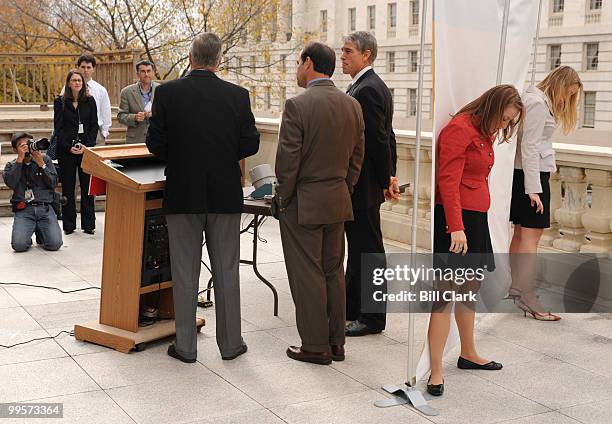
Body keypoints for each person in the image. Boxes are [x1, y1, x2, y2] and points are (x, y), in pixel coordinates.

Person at [146, 33, 260, 363]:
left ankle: (185, 346)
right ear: (219, 60)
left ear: (190, 57)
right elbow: (250, 144)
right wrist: (222, 152)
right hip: (224, 194)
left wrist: (182, 155)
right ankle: (230, 344)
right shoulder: (238, 96)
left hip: (182, 193)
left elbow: (156, 144)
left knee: (184, 272)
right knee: (227, 272)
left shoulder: (167, 93)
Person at [428, 85, 524, 397]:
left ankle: (468, 352)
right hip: (457, 222)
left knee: (470, 288)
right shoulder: (459, 129)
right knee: (444, 296)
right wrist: (456, 227)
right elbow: (448, 182)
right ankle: (436, 371)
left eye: (509, 122)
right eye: (504, 119)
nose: (503, 126)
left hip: (475, 219)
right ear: (493, 106)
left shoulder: (483, 130)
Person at [275, 42, 365, 365]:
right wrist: (344, 188)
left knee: (308, 274)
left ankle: (315, 346)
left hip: (305, 205)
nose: (298, 69)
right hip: (337, 200)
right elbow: (357, 158)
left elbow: (287, 165)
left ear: (309, 63)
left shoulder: (297, 106)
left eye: (299, 63)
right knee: (333, 272)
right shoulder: (352, 106)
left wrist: (283, 200)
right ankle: (336, 342)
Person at [509, 66, 583, 321]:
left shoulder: (535, 99)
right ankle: (528, 296)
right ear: (560, 84)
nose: (567, 100)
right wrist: (533, 189)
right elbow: (528, 146)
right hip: (532, 177)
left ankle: (517, 287)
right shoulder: (538, 103)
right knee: (532, 237)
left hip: (525, 175)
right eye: (568, 94)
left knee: (521, 234)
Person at [340, 31, 400, 337]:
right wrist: (390, 176)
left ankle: (372, 318)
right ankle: (353, 309)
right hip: (363, 185)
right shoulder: (363, 86)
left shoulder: (368, 90)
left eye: (349, 51)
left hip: (363, 187)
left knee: (369, 252)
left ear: (367, 55)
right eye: (342, 51)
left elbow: (378, 140)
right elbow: (388, 136)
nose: (343, 56)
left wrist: (385, 180)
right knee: (360, 250)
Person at [54, 69, 99, 235]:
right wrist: (68, 147)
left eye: (79, 80)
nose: (77, 83)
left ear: (83, 83)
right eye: (74, 80)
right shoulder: (60, 102)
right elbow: (58, 128)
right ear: (68, 83)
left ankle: (88, 225)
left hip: (85, 150)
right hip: (66, 151)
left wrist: (87, 145)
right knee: (68, 188)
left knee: (87, 187)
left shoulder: (90, 100)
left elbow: (94, 125)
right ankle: (69, 225)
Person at [3, 132, 63, 252]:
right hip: (24, 209)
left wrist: (41, 164)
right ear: (15, 150)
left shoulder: (45, 159)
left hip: (45, 207)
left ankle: (41, 233)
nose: (27, 147)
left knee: (54, 244)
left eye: (29, 144)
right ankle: (29, 232)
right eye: (22, 145)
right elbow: (11, 183)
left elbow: (53, 183)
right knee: (19, 246)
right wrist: (20, 160)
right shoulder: (11, 165)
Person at [118, 60, 160, 144]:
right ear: (137, 73)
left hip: (157, 138)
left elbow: (167, 113)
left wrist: (154, 114)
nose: (146, 74)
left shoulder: (161, 89)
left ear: (153, 73)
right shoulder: (126, 92)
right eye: (143, 71)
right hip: (135, 140)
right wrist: (135, 117)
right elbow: (121, 116)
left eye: (148, 71)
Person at [77, 55, 112, 145]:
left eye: (89, 67)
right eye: (83, 67)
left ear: (93, 69)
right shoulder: (68, 88)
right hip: (74, 131)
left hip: (96, 133)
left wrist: (104, 133)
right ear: (78, 68)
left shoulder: (100, 90)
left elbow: (106, 112)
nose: (86, 70)